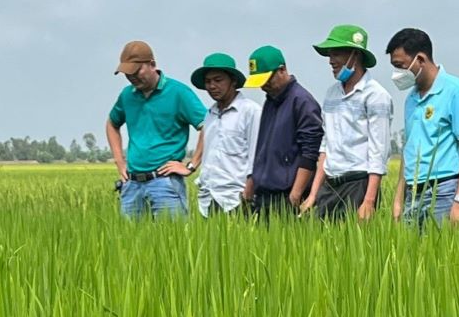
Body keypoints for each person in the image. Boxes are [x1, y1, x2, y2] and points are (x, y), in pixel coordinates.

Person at [385, 27, 459, 228]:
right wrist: (398, 198)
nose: (397, 74)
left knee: (447, 255)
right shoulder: (411, 99)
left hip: (445, 191)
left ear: (420, 59)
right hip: (413, 193)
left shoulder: (456, 91)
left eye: (400, 66)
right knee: (413, 258)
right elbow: (410, 150)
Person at [106, 40, 206, 219]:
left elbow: (207, 125)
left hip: (164, 183)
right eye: (127, 74)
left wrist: (191, 165)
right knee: (129, 244)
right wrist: (120, 162)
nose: (132, 78)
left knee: (172, 243)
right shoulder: (127, 95)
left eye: (136, 72)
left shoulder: (178, 92)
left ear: (152, 64)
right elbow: (112, 124)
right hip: (131, 184)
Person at [302, 25, 393, 221]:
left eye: (336, 54)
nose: (331, 61)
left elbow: (378, 152)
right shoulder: (331, 94)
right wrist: (312, 195)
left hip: (357, 185)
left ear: (355, 55)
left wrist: (368, 201)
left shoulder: (376, 96)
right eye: (329, 55)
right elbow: (326, 147)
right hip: (330, 185)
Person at [243, 45, 323, 218]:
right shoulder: (270, 101)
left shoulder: (302, 102)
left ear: (282, 70)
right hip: (263, 195)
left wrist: (295, 195)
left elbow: (309, 153)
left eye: (267, 80)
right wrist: (251, 182)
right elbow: (262, 148)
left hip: (286, 197)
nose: (264, 87)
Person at [189, 52, 260, 215]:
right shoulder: (210, 115)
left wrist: (248, 193)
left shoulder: (250, 111)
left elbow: (256, 156)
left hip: (236, 200)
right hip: (208, 201)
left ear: (233, 81)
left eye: (218, 80)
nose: (212, 86)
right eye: (208, 81)